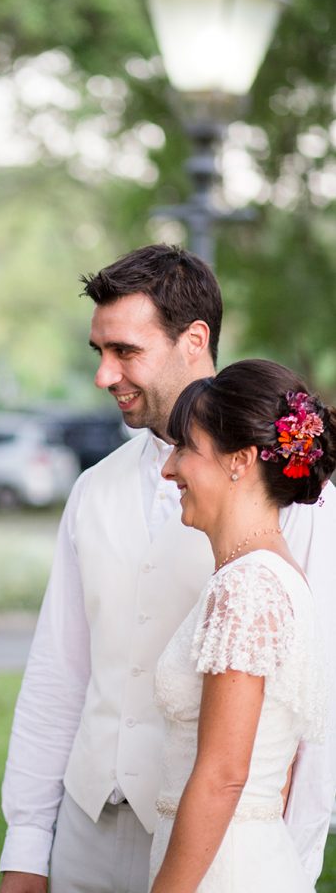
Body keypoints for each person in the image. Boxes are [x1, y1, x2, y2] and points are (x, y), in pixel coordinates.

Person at [0, 244, 336, 893]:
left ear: (193, 340)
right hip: (86, 832)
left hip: (218, 852)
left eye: (124, 351)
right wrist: (27, 849)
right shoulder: (91, 490)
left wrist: (292, 859)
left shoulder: (298, 503)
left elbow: (316, 698)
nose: (103, 375)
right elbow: (57, 675)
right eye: (97, 352)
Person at [149, 359, 335, 892]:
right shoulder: (269, 572)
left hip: (220, 871)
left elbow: (224, 776)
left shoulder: (247, 588)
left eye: (185, 447)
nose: (169, 469)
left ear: (240, 460)